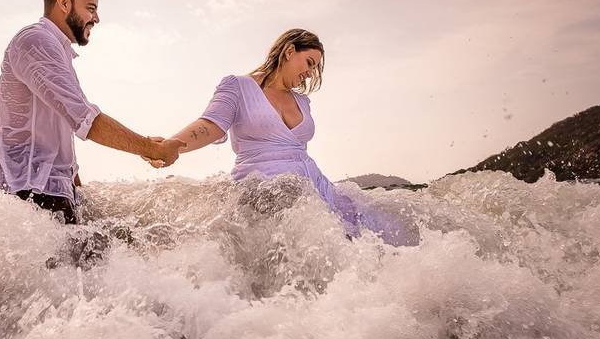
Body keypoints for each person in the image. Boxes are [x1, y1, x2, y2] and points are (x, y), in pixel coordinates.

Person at [149, 28, 410, 245]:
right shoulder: (238, 86)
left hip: (313, 187)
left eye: (315, 68)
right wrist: (171, 146)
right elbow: (211, 125)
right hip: (265, 188)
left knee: (375, 231)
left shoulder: (302, 101)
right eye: (309, 63)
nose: (310, 73)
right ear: (288, 51)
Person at [0, 0, 184, 223]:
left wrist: (78, 190)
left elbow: (58, 136)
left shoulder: (55, 50)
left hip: (50, 192)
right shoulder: (36, 42)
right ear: (63, 2)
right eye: (91, 8)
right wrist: (152, 148)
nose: (96, 19)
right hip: (32, 194)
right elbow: (85, 121)